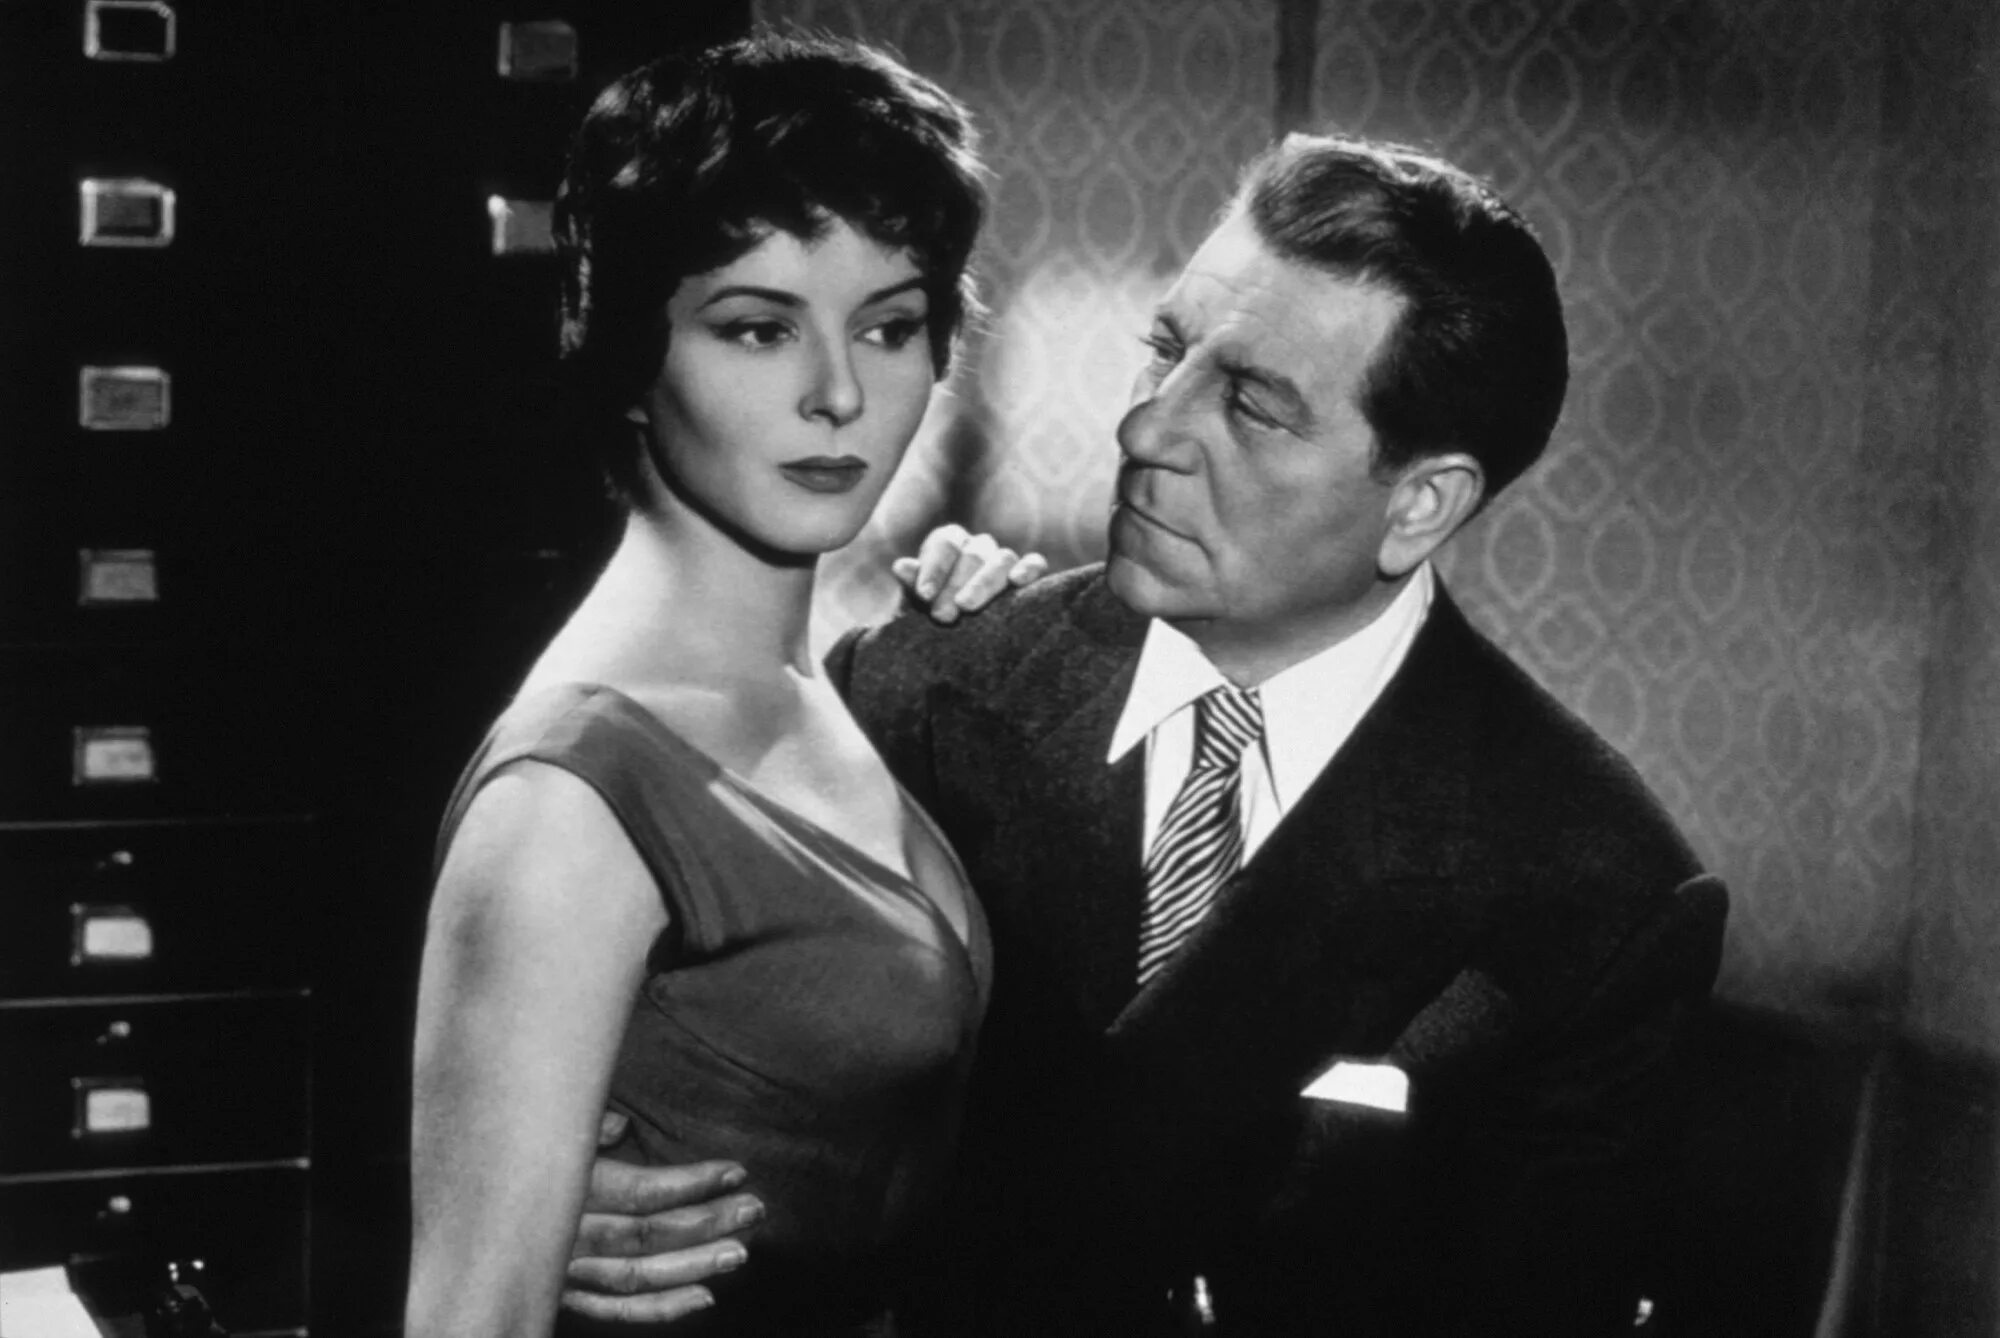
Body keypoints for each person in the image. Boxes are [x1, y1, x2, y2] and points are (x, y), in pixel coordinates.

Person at [563, 133, 1729, 1337]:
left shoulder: (1596, 892)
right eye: (1166, 352)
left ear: (1418, 504)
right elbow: (670, 1073)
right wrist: (582, 1185)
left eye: (1253, 406)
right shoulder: (917, 688)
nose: (1145, 430)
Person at [405, 32, 1040, 1338]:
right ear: (631, 357)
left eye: (890, 326)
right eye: (758, 329)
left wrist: (990, 641)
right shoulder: (574, 799)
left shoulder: (829, 683)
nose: (838, 394)